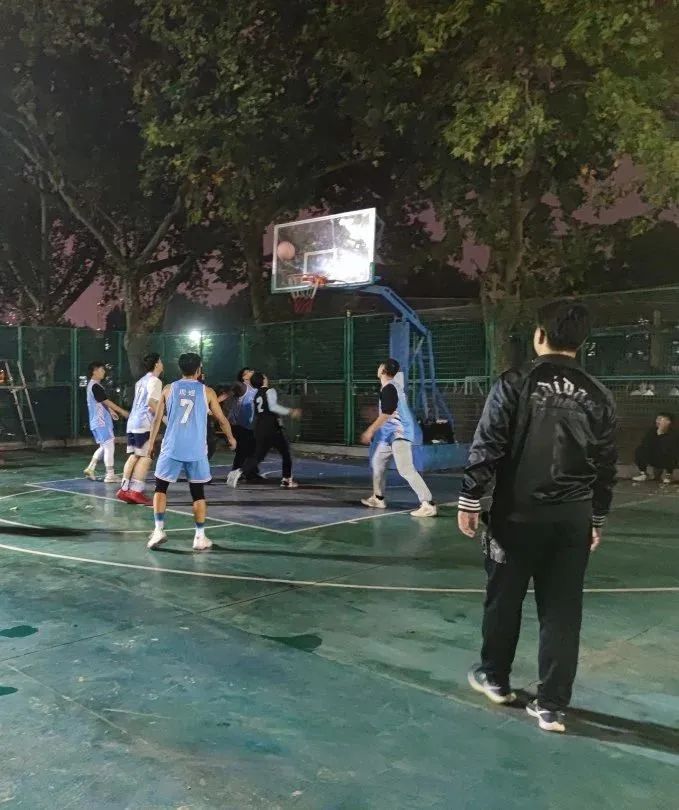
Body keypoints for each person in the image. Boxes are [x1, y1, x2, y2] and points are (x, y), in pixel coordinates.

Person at [458, 301, 617, 734]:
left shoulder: (515, 382)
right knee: (562, 610)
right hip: (572, 518)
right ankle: (552, 706)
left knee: (503, 599)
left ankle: (496, 678)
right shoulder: (599, 394)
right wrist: (597, 518)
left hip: (517, 516)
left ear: (539, 335)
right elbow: (606, 465)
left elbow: (488, 443)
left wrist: (470, 498)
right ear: (582, 342)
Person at [147, 352, 236, 551]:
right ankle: (199, 537)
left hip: (172, 446)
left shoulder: (169, 389)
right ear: (198, 369)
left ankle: (159, 530)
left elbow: (156, 419)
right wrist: (231, 438)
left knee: (160, 488)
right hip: (196, 449)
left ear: (180, 368)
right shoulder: (207, 392)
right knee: (198, 493)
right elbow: (222, 419)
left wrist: (151, 444)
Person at [360, 359, 437, 518]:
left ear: (383, 370)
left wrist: (370, 430)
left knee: (406, 469)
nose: (378, 367)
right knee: (377, 463)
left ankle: (428, 504)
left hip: (399, 434)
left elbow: (387, 414)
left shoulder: (389, 388)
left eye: (380, 366)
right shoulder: (391, 387)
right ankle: (378, 498)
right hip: (389, 435)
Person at [226, 371, 300, 489]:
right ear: (263, 380)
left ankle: (238, 471)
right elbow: (273, 407)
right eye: (264, 377)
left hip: (260, 428)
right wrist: (290, 411)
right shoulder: (270, 391)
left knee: (258, 456)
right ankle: (287, 480)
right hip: (271, 427)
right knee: (286, 453)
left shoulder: (256, 394)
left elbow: (256, 412)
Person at [117, 353, 164, 505]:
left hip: (133, 422)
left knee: (135, 455)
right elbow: (151, 402)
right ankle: (136, 491)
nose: (162, 364)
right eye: (160, 361)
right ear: (156, 364)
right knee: (146, 456)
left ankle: (124, 488)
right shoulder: (155, 381)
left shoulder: (141, 381)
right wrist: (164, 418)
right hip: (144, 422)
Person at [83, 362, 129, 483]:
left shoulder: (93, 385)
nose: (104, 372)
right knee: (109, 446)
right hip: (101, 421)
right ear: (94, 371)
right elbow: (105, 401)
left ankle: (90, 468)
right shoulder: (95, 386)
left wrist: (111, 411)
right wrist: (122, 411)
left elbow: (100, 401)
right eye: (101, 369)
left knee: (104, 446)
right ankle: (110, 475)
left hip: (96, 422)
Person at [229, 367, 261, 479]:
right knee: (242, 450)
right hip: (240, 425)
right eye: (248, 372)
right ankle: (236, 473)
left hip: (252, 425)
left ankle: (250, 472)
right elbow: (228, 393)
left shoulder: (257, 389)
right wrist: (214, 402)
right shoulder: (241, 386)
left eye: (252, 371)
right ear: (244, 377)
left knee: (253, 450)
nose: (252, 372)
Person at [632, 413, 677, 484]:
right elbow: (645, 444)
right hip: (654, 457)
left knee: (670, 450)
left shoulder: (674, 433)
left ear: (668, 422)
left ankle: (669, 475)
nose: (657, 421)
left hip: (667, 458)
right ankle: (644, 474)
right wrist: (658, 434)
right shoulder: (652, 431)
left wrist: (662, 434)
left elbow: (671, 448)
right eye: (657, 419)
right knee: (640, 449)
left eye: (660, 419)